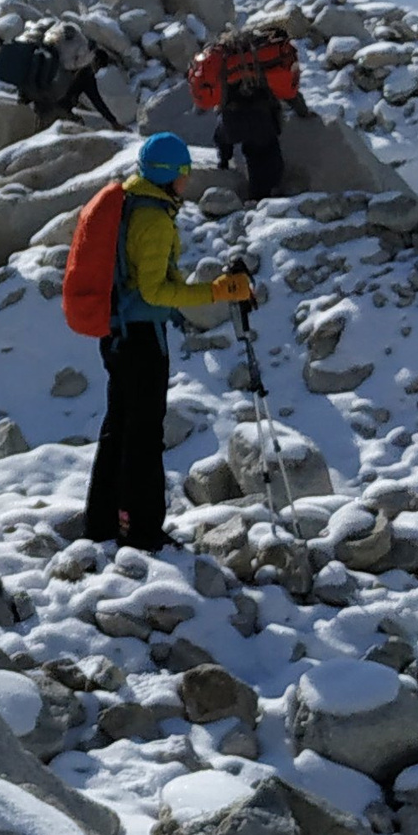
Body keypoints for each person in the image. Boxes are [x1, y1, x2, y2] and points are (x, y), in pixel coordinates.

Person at [81, 131, 255, 550]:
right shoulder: (154, 219)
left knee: (119, 428)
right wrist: (216, 292)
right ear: (171, 175)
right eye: (184, 173)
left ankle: (103, 523)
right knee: (143, 434)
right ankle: (142, 531)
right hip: (141, 338)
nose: (187, 181)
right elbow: (154, 290)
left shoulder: (131, 205)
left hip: (118, 333)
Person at [205, 22, 312, 201]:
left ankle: (223, 163)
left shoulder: (224, 62)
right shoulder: (265, 62)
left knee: (222, 136)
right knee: (263, 155)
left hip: (230, 122)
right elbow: (289, 93)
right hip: (261, 119)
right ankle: (262, 199)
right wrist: (303, 112)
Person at [0, 21, 123, 130]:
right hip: (53, 105)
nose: (96, 71)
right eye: (98, 67)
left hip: (35, 97)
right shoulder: (86, 74)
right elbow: (97, 100)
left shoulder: (63, 53)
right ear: (95, 60)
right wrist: (114, 122)